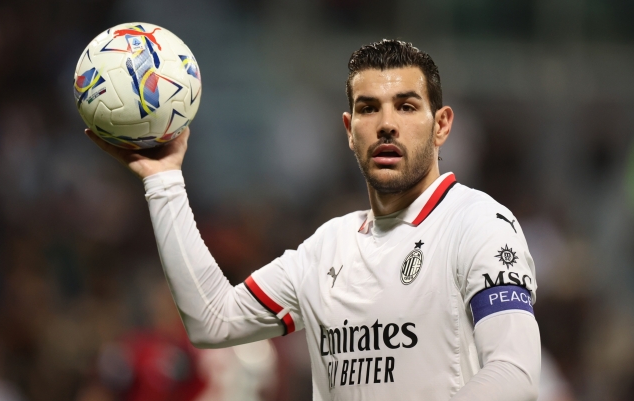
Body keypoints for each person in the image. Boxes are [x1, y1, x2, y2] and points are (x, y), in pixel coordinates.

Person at [85, 39, 541, 400]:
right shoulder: (327, 248)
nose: (385, 124)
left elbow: (514, 372)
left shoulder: (478, 223)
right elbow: (212, 320)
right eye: (368, 108)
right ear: (348, 130)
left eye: (405, 106)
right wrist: (164, 181)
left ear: (441, 124)